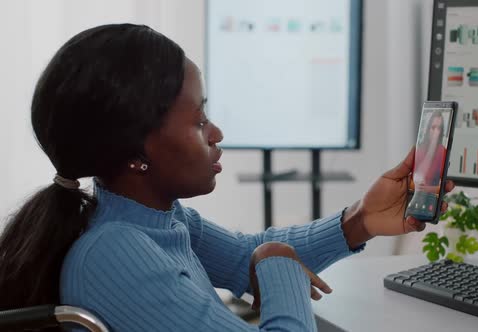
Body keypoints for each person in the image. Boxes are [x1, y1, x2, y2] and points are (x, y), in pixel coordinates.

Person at [0, 24, 453, 331]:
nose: (216, 133)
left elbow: (242, 255)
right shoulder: (116, 253)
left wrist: (362, 219)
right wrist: (276, 263)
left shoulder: (157, 221)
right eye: (198, 121)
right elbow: (259, 258)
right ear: (137, 149)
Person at [413, 110, 448, 193]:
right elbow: (419, 176)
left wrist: (427, 189)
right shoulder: (420, 149)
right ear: (428, 129)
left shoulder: (443, 152)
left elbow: (442, 186)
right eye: (433, 127)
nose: (436, 132)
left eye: (438, 128)